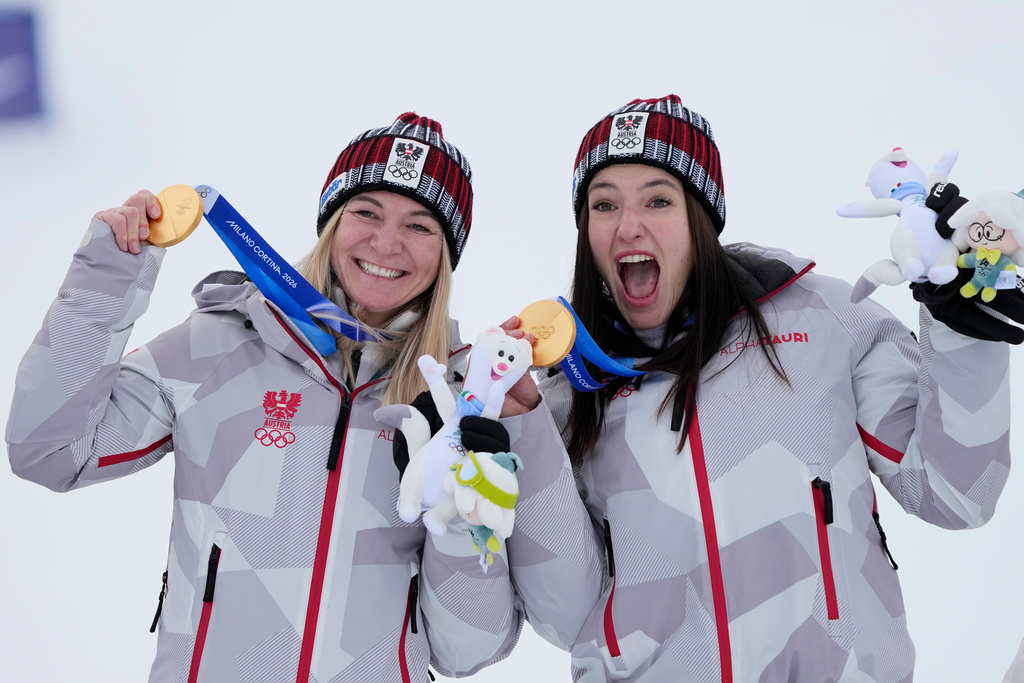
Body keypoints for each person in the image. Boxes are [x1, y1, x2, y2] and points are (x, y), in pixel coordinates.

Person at [504, 94, 1020, 681]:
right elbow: (564, 617)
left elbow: (959, 493)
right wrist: (521, 424)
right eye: (604, 204)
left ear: (701, 218)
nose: (628, 226)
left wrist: (960, 331)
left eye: (658, 199)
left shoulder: (826, 320)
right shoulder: (569, 396)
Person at [6, 113, 521, 682]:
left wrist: (456, 520)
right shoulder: (218, 345)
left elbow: (467, 650)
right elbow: (50, 452)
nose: (386, 242)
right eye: (366, 212)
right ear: (332, 223)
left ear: (446, 254)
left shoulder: (458, 402)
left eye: (420, 226)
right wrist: (104, 283)